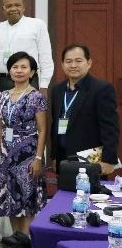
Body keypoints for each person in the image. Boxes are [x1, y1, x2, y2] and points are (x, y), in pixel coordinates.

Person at [0, 51, 47, 235]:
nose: (19, 71)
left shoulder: (36, 97)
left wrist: (39, 158)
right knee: (10, 200)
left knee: (26, 200)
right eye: (15, 67)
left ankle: (25, 245)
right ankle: (16, 244)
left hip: (28, 155)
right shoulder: (3, 95)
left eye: (24, 67)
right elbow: (1, 127)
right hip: (6, 154)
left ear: (32, 72)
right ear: (9, 71)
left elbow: (42, 130)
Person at [50, 44, 119, 175]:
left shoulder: (102, 89)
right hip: (63, 159)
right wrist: (54, 156)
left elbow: (110, 128)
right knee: (64, 194)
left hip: (90, 160)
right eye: (68, 61)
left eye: (78, 60)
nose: (73, 65)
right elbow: (55, 124)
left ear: (89, 62)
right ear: (62, 64)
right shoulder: (57, 90)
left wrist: (109, 160)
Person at [0, 0, 53, 94]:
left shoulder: (37, 25)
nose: (13, 9)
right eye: (9, 6)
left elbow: (45, 57)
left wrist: (44, 85)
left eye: (17, 5)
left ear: (24, 7)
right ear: (3, 9)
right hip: (2, 81)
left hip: (28, 81)